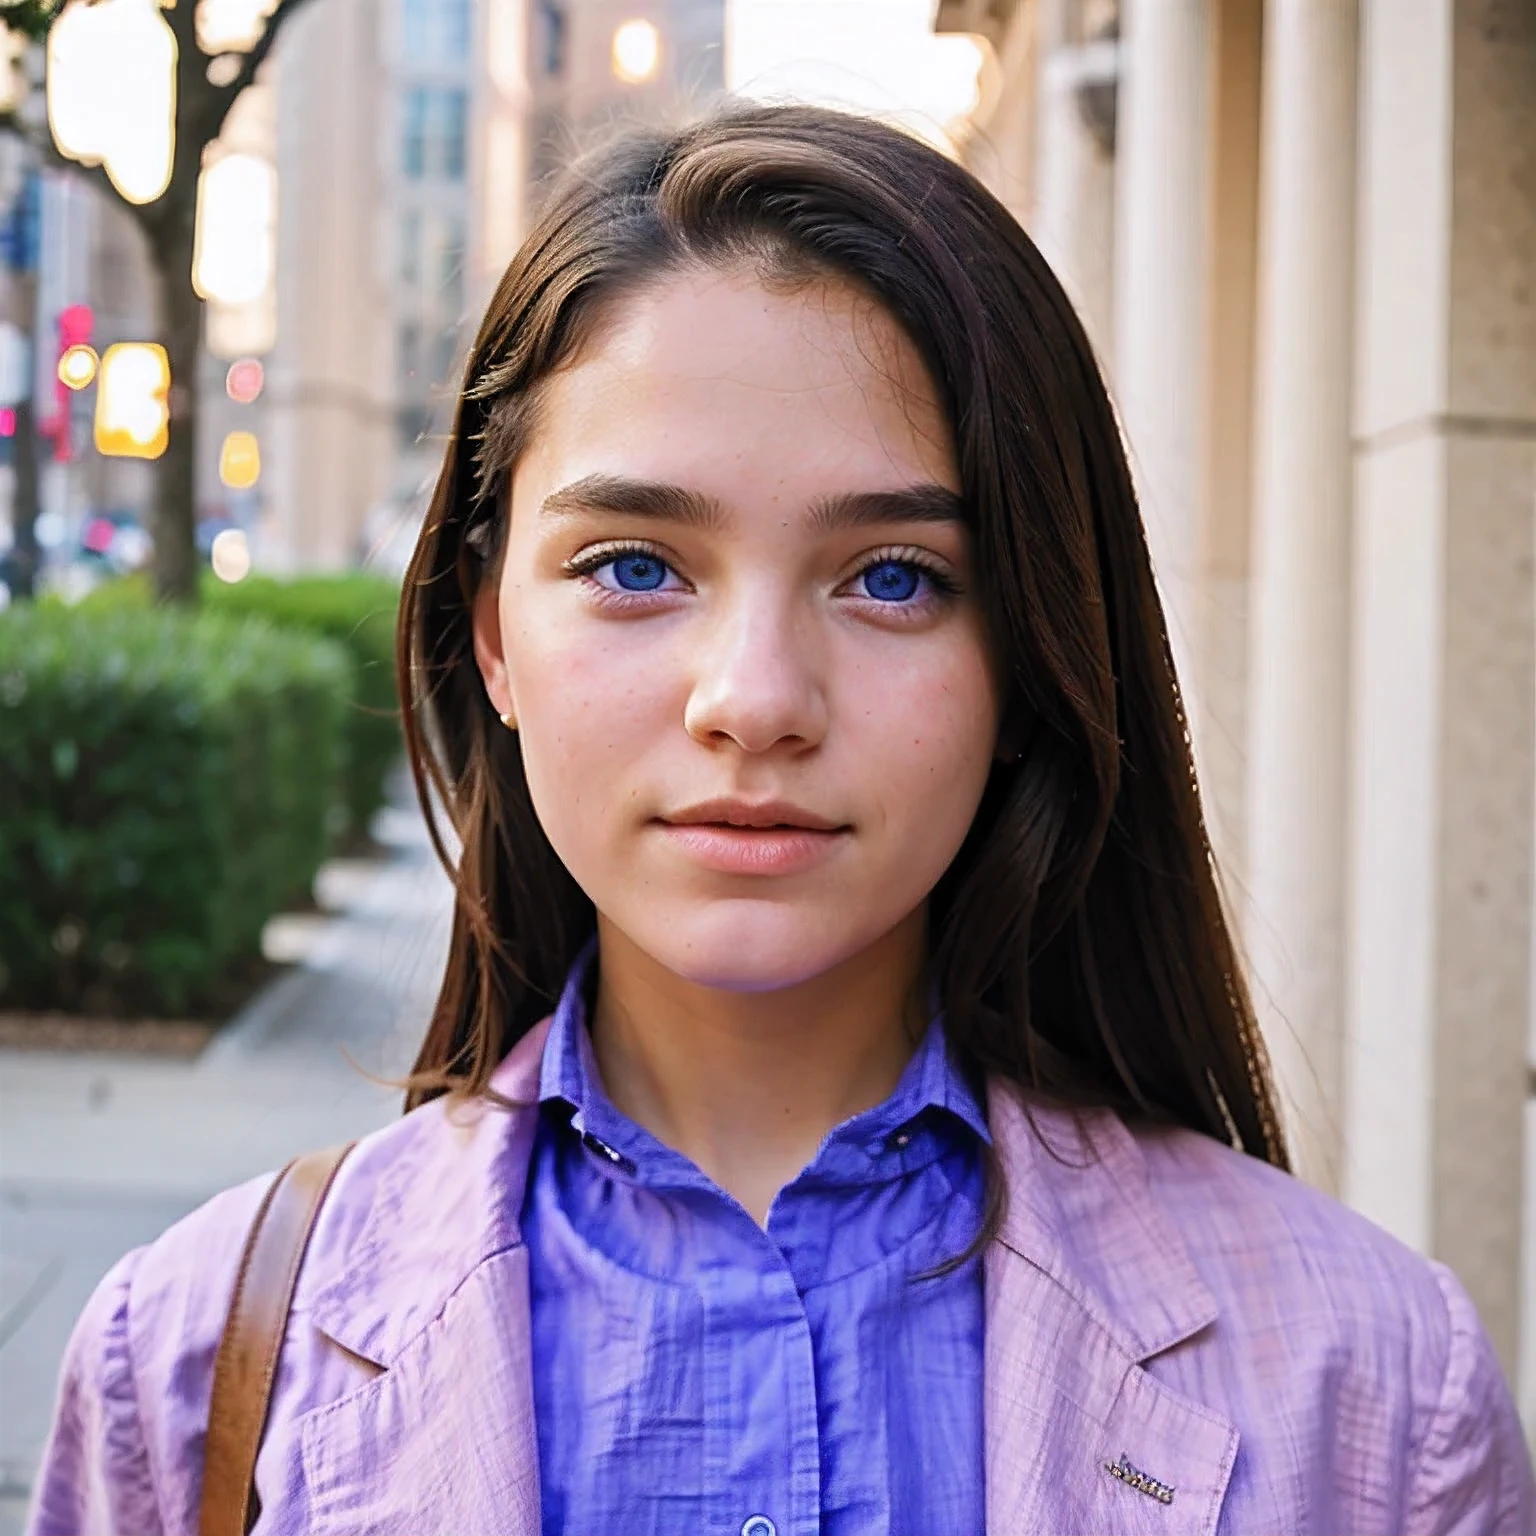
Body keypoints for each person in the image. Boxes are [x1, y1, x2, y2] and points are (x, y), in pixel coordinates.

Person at [27, 105, 1534, 1536]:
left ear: (1027, 658)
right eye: (634, 565)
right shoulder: (194, 1364)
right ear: (491, 634)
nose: (753, 700)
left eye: (892, 577)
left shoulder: (1379, 1392)